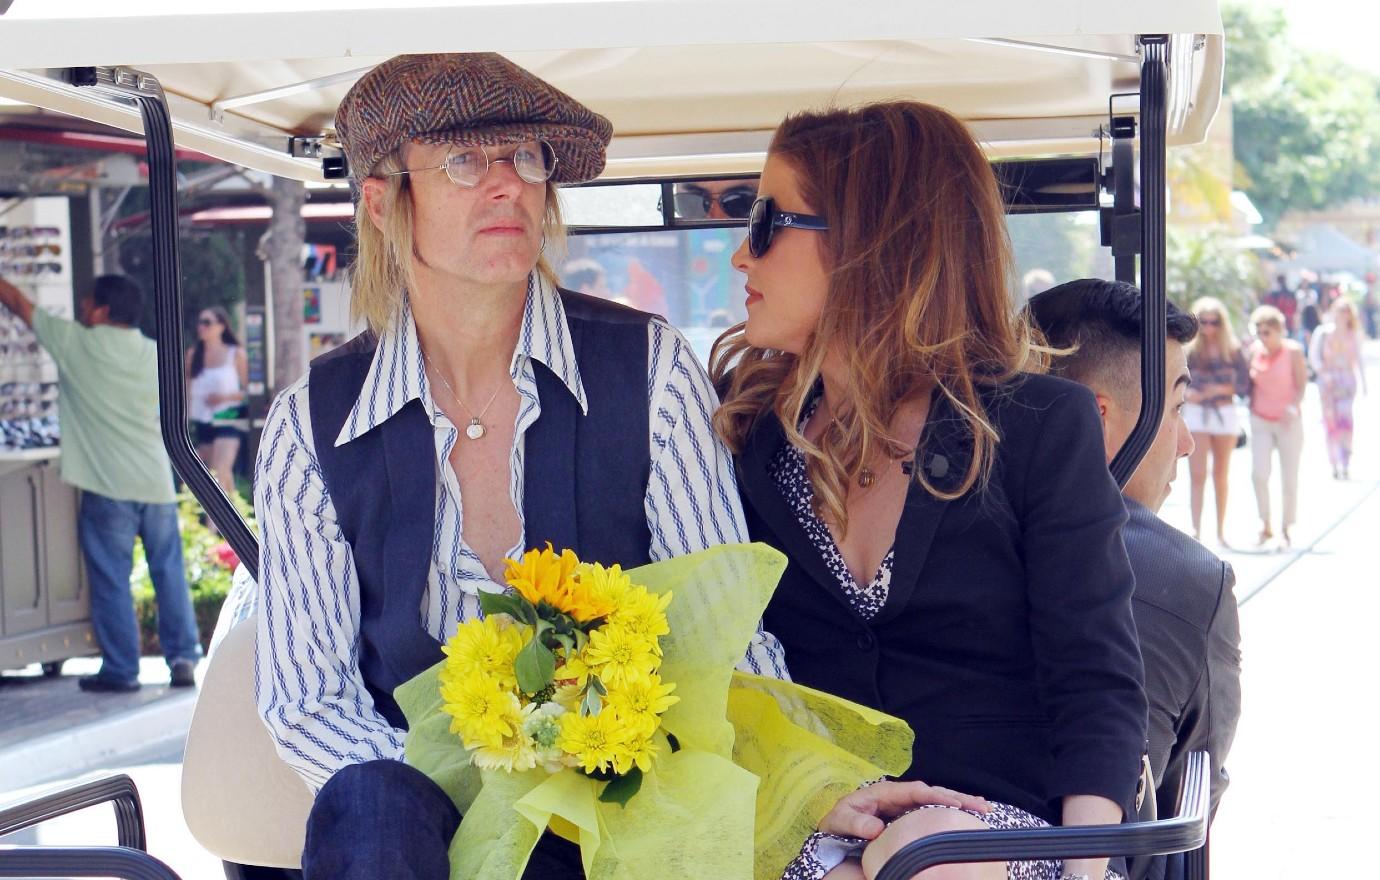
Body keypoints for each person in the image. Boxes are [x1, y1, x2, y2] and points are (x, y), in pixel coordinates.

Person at [249, 53, 794, 880]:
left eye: (526, 159)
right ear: (382, 198)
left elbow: (726, 633)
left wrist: (803, 786)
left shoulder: (647, 371)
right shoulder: (311, 423)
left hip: (624, 802)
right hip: (410, 829)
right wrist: (482, 817)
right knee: (369, 802)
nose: (508, 186)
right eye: (466, 161)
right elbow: (306, 699)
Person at [713, 102, 1147, 880]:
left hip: (1004, 835)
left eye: (768, 221)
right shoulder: (751, 435)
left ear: (871, 240)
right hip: (823, 820)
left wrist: (1087, 871)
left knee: (928, 855)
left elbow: (1095, 682)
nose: (742, 256)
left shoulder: (1039, 425)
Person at [1026, 279, 1242, 880]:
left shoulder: (927, 530)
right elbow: (1193, 794)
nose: (1188, 443)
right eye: (1175, 409)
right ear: (1093, 418)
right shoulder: (1194, 580)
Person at [0, 274, 200, 692]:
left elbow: (18, 303)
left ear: (103, 310)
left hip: (109, 488)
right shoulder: (157, 353)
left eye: (88, 303)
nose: (82, 309)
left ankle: (122, 670)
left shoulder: (78, 344)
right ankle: (182, 658)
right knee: (170, 574)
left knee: (112, 579)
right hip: (156, 482)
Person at [1181, 297, 1249, 547]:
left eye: (1214, 321)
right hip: (1197, 412)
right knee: (1197, 474)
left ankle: (1221, 531)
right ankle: (1196, 531)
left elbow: (1244, 384)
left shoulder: (1233, 349)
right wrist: (1190, 395)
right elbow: (1177, 381)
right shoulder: (1188, 349)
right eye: (1204, 321)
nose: (1209, 327)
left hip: (1224, 412)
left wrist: (1216, 390)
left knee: (1221, 475)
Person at [1247, 305, 1308, 548]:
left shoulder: (1292, 351)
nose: (1264, 337)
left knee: (1288, 476)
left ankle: (1286, 526)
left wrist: (1293, 407)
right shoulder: (1254, 351)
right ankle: (1266, 523)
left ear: (1279, 331)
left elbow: (1302, 385)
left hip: (1287, 422)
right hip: (1261, 419)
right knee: (1259, 474)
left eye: (1268, 332)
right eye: (1260, 332)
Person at [184, 305, 248, 496]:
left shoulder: (235, 353)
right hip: (203, 419)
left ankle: (216, 525)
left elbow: (248, 391)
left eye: (207, 322)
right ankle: (231, 516)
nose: (201, 327)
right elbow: (187, 387)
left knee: (222, 467)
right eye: (200, 322)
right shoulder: (194, 354)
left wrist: (223, 397)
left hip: (228, 416)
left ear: (221, 326)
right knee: (208, 472)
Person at [1309, 298, 1368, 479]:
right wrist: (1323, 373)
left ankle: (1345, 462)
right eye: (1340, 310)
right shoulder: (1323, 333)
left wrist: (1364, 383)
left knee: (1345, 421)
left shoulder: (1353, 334)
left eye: (1346, 311)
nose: (1342, 315)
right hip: (1328, 382)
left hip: (1347, 381)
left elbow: (1359, 359)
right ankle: (1333, 462)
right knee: (1330, 422)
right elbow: (1314, 357)